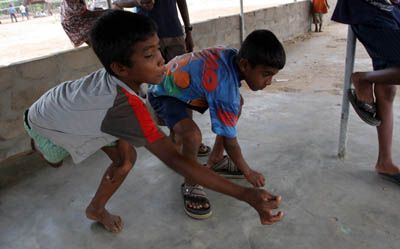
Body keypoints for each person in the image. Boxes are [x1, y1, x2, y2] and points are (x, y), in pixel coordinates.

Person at [24, 10, 283, 233]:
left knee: (123, 159)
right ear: (121, 67)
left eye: (157, 48)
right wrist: (246, 194)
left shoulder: (124, 84)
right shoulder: (127, 107)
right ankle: (46, 153)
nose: (161, 59)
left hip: (72, 108)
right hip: (47, 125)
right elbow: (177, 160)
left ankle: (95, 209)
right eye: (149, 55)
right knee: (71, 160)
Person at [147, 30, 286, 219]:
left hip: (183, 87)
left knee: (237, 105)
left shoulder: (231, 55)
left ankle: (217, 158)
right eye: (266, 74)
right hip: (164, 92)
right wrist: (247, 171)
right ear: (244, 64)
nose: (269, 81)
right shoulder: (224, 85)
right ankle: (191, 182)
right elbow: (231, 141)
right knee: (192, 136)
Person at [112, 0, 211, 157]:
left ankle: (186, 136)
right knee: (160, 86)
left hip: (174, 33)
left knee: (182, 85)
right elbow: (118, 3)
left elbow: (181, 2)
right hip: (146, 38)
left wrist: (188, 30)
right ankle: (178, 137)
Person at [332, 0, 400, 184]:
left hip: (392, 9)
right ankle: (363, 79)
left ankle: (384, 162)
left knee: (387, 86)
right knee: (387, 79)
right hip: (367, 9)